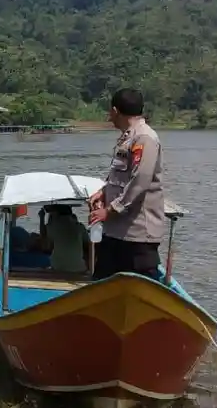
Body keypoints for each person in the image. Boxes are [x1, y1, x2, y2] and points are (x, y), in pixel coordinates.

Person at [88, 87, 166, 280]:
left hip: (137, 235)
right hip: (116, 232)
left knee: (142, 288)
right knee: (101, 285)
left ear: (115, 111)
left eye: (110, 112)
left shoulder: (144, 138)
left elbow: (140, 181)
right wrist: (104, 191)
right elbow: (121, 176)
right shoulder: (128, 137)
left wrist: (109, 210)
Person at [43, 204, 88, 274]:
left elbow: (45, 245)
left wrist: (42, 218)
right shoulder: (79, 227)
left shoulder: (53, 227)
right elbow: (87, 243)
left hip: (58, 268)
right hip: (79, 268)